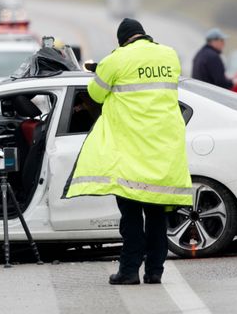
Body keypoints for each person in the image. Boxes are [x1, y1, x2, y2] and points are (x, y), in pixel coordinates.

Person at [64, 18, 193, 285]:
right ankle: (155, 272)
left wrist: (105, 71)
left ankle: (129, 271)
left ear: (122, 40)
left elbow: (95, 94)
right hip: (163, 149)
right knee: (157, 217)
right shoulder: (169, 55)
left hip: (131, 153)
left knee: (131, 218)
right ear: (143, 34)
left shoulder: (117, 59)